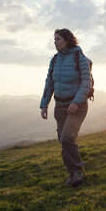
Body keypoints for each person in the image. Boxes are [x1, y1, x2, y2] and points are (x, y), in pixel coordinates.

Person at [40, 28, 91, 187]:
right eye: (54, 39)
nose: (55, 42)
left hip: (77, 106)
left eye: (58, 39)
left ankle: (78, 171)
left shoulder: (79, 57)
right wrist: (44, 104)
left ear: (68, 40)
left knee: (67, 138)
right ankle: (72, 175)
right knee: (63, 142)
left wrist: (76, 102)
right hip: (60, 106)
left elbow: (86, 83)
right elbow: (50, 83)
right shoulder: (54, 60)